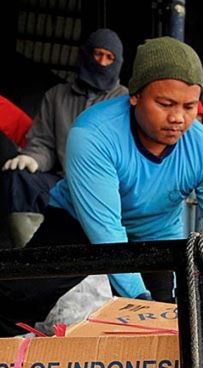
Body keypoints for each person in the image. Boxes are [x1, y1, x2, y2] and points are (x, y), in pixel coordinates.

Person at [0, 36, 203, 336]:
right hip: (79, 223)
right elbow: (107, 233)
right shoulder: (93, 133)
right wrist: (141, 308)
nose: (177, 118)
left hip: (157, 234)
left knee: (166, 333)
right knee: (16, 300)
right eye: (165, 103)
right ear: (134, 95)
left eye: (189, 107)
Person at [1, 29, 128, 247]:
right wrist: (32, 158)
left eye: (109, 58)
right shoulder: (56, 96)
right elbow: (44, 144)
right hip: (62, 182)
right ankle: (31, 259)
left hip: (107, 187)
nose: (102, 62)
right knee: (18, 179)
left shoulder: (124, 101)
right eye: (97, 54)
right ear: (86, 54)